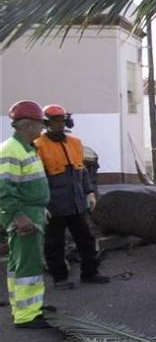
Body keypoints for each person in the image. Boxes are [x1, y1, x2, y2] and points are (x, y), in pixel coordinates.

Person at [34, 104, 109, 289]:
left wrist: (89, 192)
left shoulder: (75, 143)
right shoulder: (38, 146)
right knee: (54, 244)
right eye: (54, 121)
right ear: (46, 123)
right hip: (54, 206)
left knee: (86, 239)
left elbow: (81, 171)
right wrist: (40, 204)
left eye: (60, 121)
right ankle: (60, 278)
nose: (58, 125)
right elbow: (36, 179)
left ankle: (90, 273)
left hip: (76, 204)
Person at [0, 101, 52, 329]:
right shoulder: (12, 149)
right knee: (28, 265)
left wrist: (42, 208)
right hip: (24, 215)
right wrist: (18, 216)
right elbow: (4, 188)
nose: (42, 129)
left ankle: (26, 306)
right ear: (27, 124)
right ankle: (28, 315)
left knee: (18, 264)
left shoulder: (26, 147)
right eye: (39, 124)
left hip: (32, 211)